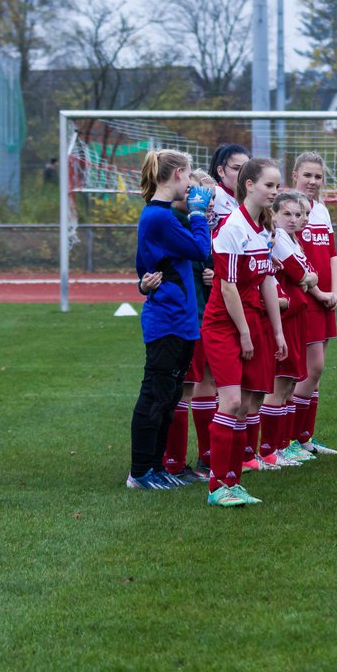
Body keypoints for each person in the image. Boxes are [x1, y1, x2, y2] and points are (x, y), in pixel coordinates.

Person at [199, 157, 288, 507]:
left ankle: (232, 480)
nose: (275, 192)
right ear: (249, 186)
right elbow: (228, 288)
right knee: (232, 401)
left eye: (278, 185)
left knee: (249, 404)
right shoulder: (232, 227)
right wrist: (246, 334)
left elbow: (266, 280)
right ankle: (216, 484)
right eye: (269, 185)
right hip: (225, 324)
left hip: (251, 320)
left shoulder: (262, 227)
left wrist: (277, 331)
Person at [126, 150, 212, 490]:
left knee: (169, 395)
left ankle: (155, 468)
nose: (191, 182)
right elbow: (199, 249)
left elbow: (147, 266)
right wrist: (199, 213)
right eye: (189, 174)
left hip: (181, 319)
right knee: (155, 395)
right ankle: (141, 471)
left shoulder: (163, 217)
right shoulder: (158, 216)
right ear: (176, 174)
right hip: (167, 320)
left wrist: (144, 281)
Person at [290, 152, 337, 456]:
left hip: (325, 300)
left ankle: (305, 438)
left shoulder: (322, 210)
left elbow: (332, 255)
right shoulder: (288, 210)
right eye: (307, 175)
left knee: (316, 373)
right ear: (294, 174)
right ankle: (290, 439)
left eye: (318, 176)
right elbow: (291, 261)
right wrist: (319, 292)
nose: (312, 181)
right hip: (306, 299)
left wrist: (335, 290)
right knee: (311, 369)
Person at [267, 189, 320, 467]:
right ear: (273, 215)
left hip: (296, 318)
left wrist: (309, 277)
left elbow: (308, 274)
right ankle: (269, 448)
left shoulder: (292, 241)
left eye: (298, 214)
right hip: (284, 320)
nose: (293, 219)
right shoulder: (277, 241)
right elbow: (301, 274)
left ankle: (283, 445)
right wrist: (309, 277)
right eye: (286, 214)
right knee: (279, 383)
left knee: (289, 384)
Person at [208, 143, 251, 231]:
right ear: (221, 171)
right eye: (236, 168)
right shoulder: (214, 195)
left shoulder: (252, 200)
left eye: (246, 169)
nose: (243, 174)